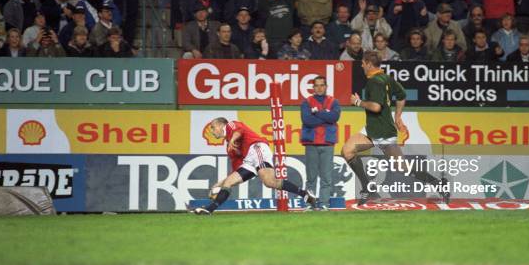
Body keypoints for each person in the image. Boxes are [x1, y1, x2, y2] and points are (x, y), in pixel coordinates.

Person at [341, 51, 447, 205]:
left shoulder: (375, 82)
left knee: (404, 168)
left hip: (383, 132)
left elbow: (376, 107)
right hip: (372, 128)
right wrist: (397, 116)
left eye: (363, 62)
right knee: (347, 150)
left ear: (369, 64)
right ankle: (367, 187)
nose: (362, 65)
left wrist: (358, 102)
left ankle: (438, 183)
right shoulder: (386, 78)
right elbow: (402, 95)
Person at [189, 118, 317, 215]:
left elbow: (239, 131)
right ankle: (209, 209)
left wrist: (233, 139)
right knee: (230, 182)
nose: (211, 131)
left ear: (220, 125)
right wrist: (219, 184)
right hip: (249, 160)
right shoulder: (230, 148)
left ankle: (305, 193)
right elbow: (237, 170)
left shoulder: (230, 125)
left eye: (212, 127)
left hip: (257, 148)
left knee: (269, 181)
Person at [300, 76, 341, 210]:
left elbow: (334, 117)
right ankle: (310, 204)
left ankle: (323, 204)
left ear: (326, 86)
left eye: (322, 85)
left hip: (327, 143)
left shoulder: (333, 101)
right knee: (311, 177)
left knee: (326, 178)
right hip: (311, 144)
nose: (319, 88)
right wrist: (325, 118)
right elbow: (307, 120)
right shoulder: (307, 102)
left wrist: (317, 113)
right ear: (313, 88)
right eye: (316, 85)